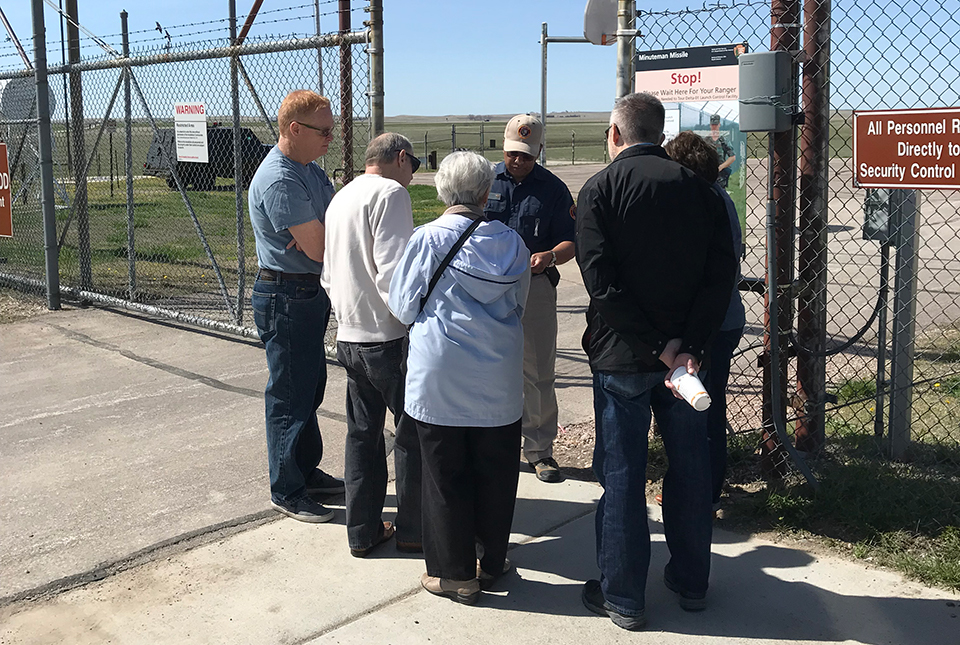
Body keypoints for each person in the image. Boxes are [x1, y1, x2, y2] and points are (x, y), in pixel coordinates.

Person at [576, 93, 736, 630]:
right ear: (660, 134)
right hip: (687, 365)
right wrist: (685, 346)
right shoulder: (703, 191)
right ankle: (692, 580)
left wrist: (653, 346)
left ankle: (623, 595)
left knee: (622, 475)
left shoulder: (600, 189)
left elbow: (602, 283)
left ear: (615, 134)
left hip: (623, 357)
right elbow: (720, 280)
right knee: (690, 469)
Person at [389, 151, 530, 606]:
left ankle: (454, 574)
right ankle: (491, 561)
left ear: (441, 190)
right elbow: (519, 305)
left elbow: (403, 305)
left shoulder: (426, 240)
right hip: (499, 377)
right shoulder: (513, 244)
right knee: (496, 471)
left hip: (441, 377)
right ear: (487, 192)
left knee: (444, 475)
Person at [321, 133, 423, 557]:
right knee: (413, 431)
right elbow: (393, 271)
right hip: (386, 335)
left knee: (362, 435)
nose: (411, 176)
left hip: (349, 333)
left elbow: (328, 273)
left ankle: (361, 530)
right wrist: (413, 318)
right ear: (400, 159)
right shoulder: (390, 195)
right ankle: (414, 529)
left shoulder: (341, 197)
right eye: (412, 166)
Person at [248, 89, 344, 523]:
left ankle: (305, 470)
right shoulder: (281, 178)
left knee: (309, 387)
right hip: (287, 294)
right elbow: (322, 245)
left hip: (306, 292)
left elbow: (332, 227)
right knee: (289, 394)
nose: (330, 138)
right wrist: (320, 235)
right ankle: (286, 489)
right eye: (323, 131)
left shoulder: (309, 171)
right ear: (294, 129)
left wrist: (321, 233)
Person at [483, 114, 575, 484]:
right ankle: (493, 445)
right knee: (487, 366)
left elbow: (571, 241)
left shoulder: (553, 190)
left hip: (534, 285)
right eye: (512, 154)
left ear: (538, 152)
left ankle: (539, 450)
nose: (518, 161)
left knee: (537, 371)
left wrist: (550, 256)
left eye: (526, 156)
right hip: (487, 285)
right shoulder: (485, 180)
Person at [664, 131, 746, 516]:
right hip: (724, 320)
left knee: (702, 410)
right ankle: (706, 488)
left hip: (710, 326)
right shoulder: (721, 199)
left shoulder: (705, 203)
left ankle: (702, 493)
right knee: (709, 407)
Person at [708, 114, 736, 189]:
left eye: (716, 125)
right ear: (710, 125)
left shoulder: (723, 140)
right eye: (713, 125)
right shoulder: (706, 141)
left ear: (719, 125)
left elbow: (732, 157)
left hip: (720, 174)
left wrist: (721, 167)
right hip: (708, 172)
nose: (714, 127)